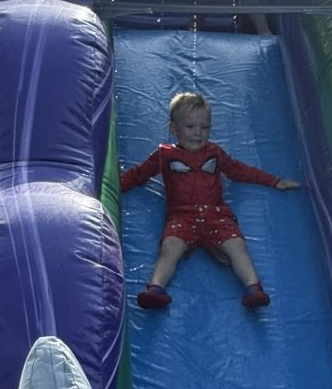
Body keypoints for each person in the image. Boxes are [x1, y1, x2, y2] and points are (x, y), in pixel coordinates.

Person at [120, 92, 300, 309]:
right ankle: (156, 289)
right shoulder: (164, 155)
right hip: (182, 216)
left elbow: (237, 170)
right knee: (170, 247)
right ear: (173, 129)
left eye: (204, 127)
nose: (198, 133)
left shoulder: (214, 152)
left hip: (216, 214)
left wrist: (274, 181)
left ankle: (253, 288)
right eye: (190, 127)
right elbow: (138, 174)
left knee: (237, 246)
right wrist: (112, 187)